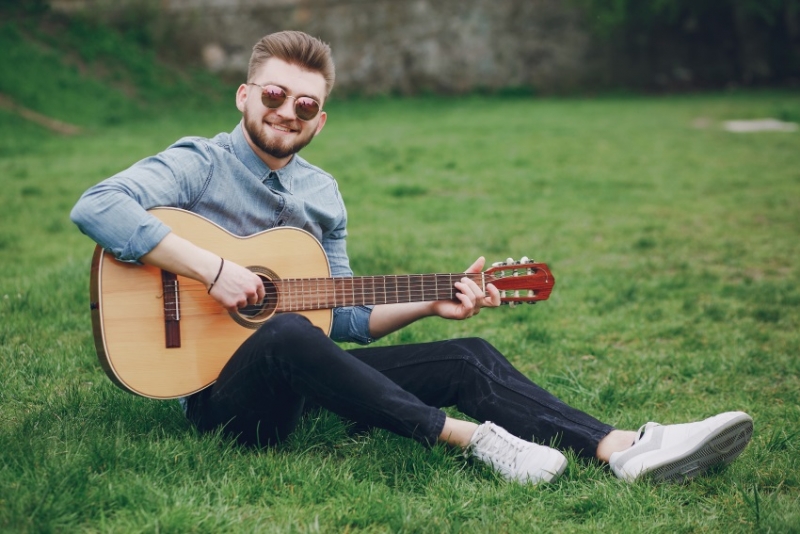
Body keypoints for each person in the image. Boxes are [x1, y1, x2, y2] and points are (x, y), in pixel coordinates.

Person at [71, 30, 753, 485]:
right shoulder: (198, 163)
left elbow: (341, 319)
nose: (287, 112)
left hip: (307, 374)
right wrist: (213, 269)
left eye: (305, 105)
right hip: (227, 401)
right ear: (246, 95)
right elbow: (98, 207)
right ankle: (469, 439)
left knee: (467, 353)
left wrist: (431, 300)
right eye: (274, 96)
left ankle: (624, 448)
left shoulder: (321, 194)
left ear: (321, 118)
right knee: (279, 332)